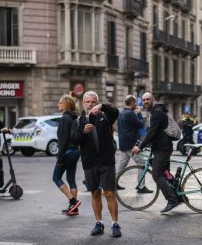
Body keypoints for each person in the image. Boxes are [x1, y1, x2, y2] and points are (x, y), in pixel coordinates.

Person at [71, 91, 122, 237]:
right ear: (83, 103)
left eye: (93, 102)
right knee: (95, 193)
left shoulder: (105, 116)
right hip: (90, 162)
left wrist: (102, 106)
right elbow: (74, 140)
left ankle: (115, 224)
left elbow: (115, 111)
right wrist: (83, 132)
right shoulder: (78, 122)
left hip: (106, 161)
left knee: (110, 193)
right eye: (88, 102)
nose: (90, 104)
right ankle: (98, 223)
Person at [133, 92, 179, 213]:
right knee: (166, 174)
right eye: (144, 100)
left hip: (162, 149)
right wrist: (140, 142)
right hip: (162, 147)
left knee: (156, 174)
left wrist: (140, 147)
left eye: (148, 99)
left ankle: (172, 199)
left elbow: (152, 132)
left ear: (152, 100)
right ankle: (179, 196)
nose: (146, 102)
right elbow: (150, 130)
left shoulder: (157, 113)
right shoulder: (155, 112)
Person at [52, 95, 81, 216]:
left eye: (60, 102)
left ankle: (73, 201)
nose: (58, 105)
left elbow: (63, 140)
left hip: (67, 152)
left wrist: (60, 157)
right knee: (71, 179)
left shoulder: (65, 118)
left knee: (56, 178)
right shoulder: (74, 117)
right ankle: (74, 209)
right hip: (75, 151)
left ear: (66, 105)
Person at [115, 95, 143, 178]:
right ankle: (141, 187)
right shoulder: (130, 113)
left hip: (124, 144)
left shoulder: (121, 113)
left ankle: (113, 183)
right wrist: (139, 114)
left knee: (121, 165)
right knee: (141, 164)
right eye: (135, 103)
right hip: (131, 145)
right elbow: (140, 124)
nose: (136, 105)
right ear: (132, 103)